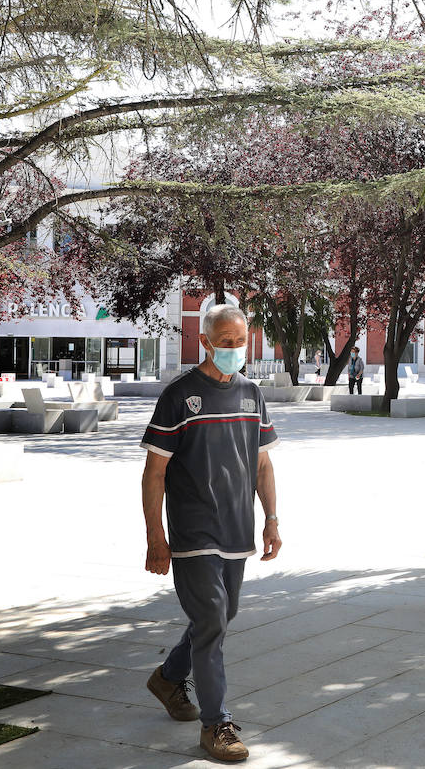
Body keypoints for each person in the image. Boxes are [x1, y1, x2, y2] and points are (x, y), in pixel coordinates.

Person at [141, 304, 281, 763]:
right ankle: (216, 725)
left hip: (238, 530)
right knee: (213, 619)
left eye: (240, 341)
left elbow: (262, 463)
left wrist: (272, 519)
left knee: (218, 618)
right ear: (204, 342)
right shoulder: (180, 396)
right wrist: (155, 537)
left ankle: (167, 677)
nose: (234, 349)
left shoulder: (252, 394)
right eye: (225, 342)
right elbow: (154, 471)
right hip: (193, 533)